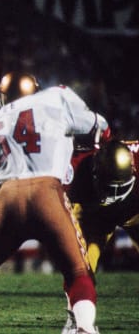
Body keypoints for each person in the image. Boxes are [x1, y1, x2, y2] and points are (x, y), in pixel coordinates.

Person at [0, 72, 105, 334]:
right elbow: (99, 127)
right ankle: (84, 325)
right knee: (77, 272)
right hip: (48, 192)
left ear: (3, 97)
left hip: (7, 195)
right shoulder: (56, 96)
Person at [62, 139, 137, 333]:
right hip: (95, 215)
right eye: (110, 187)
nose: (113, 195)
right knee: (80, 264)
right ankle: (76, 318)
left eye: (119, 187)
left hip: (134, 212)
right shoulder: (76, 169)